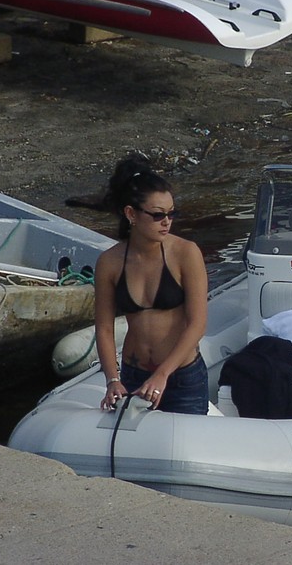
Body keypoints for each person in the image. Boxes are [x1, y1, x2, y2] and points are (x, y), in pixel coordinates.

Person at [96, 154, 209, 414]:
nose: (167, 222)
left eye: (172, 213)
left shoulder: (186, 253)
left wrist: (163, 374)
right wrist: (113, 379)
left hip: (181, 377)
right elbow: (103, 327)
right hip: (133, 375)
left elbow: (197, 324)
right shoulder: (110, 262)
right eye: (158, 215)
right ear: (131, 214)